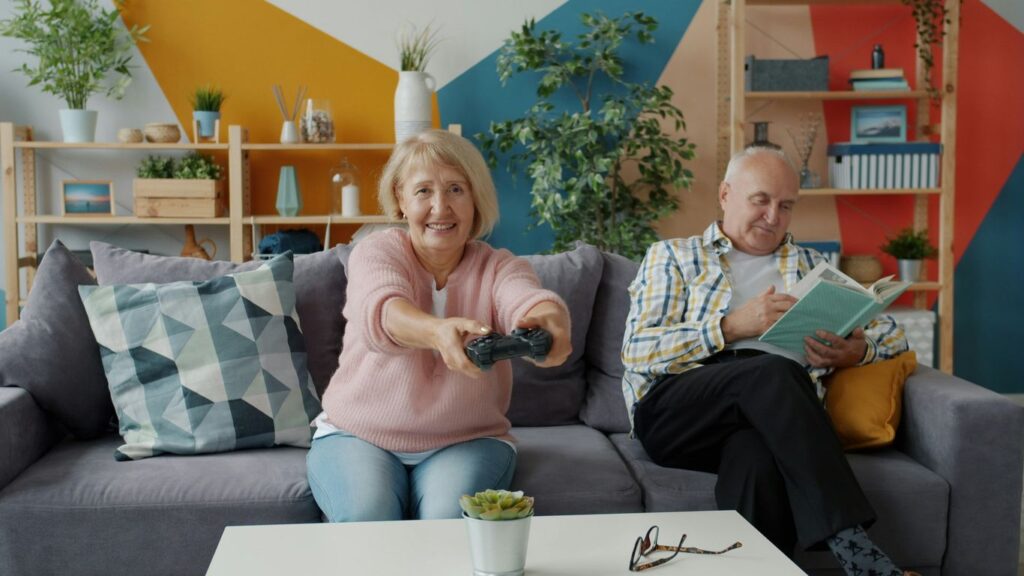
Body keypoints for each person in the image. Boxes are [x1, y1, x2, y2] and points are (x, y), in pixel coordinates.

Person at [621, 146, 916, 576]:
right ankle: (855, 549)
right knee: (773, 371)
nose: (772, 216)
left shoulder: (812, 266)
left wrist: (857, 351)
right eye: (760, 200)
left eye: (785, 205)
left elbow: (894, 334)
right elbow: (637, 349)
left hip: (771, 418)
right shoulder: (673, 256)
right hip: (679, 410)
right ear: (725, 194)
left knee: (756, 458)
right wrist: (730, 326)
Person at [307, 129, 572, 522]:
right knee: (368, 515)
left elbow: (527, 299)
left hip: (466, 440)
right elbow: (383, 310)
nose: (440, 207)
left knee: (446, 522)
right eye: (423, 191)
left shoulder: (499, 266)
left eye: (455, 190)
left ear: (475, 198)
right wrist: (437, 332)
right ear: (400, 198)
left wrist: (549, 323)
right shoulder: (376, 252)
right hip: (357, 434)